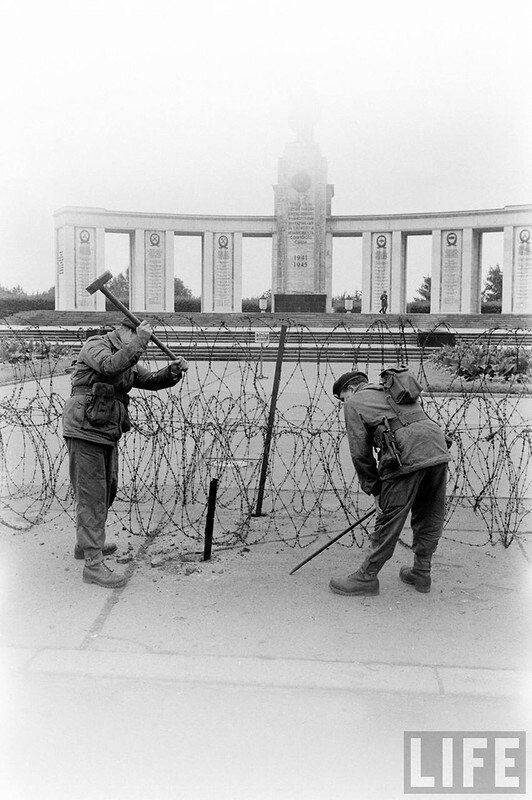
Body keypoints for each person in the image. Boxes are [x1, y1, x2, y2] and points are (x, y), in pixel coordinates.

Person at [62, 318, 188, 588]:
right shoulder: (96, 345)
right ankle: (93, 566)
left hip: (105, 430)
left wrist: (173, 371)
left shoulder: (126, 357)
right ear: (123, 332)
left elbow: (150, 380)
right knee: (92, 495)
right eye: (135, 336)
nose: (138, 343)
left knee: (107, 489)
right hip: (84, 429)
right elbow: (110, 366)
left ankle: (84, 546)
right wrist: (141, 341)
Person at [329, 369, 449, 596]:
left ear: (350, 389)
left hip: (405, 455)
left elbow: (360, 453)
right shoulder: (392, 390)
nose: (344, 402)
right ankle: (422, 572)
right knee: (429, 513)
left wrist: (375, 489)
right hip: (437, 448)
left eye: (342, 397)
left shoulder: (354, 402)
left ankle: (367, 577)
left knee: (389, 518)